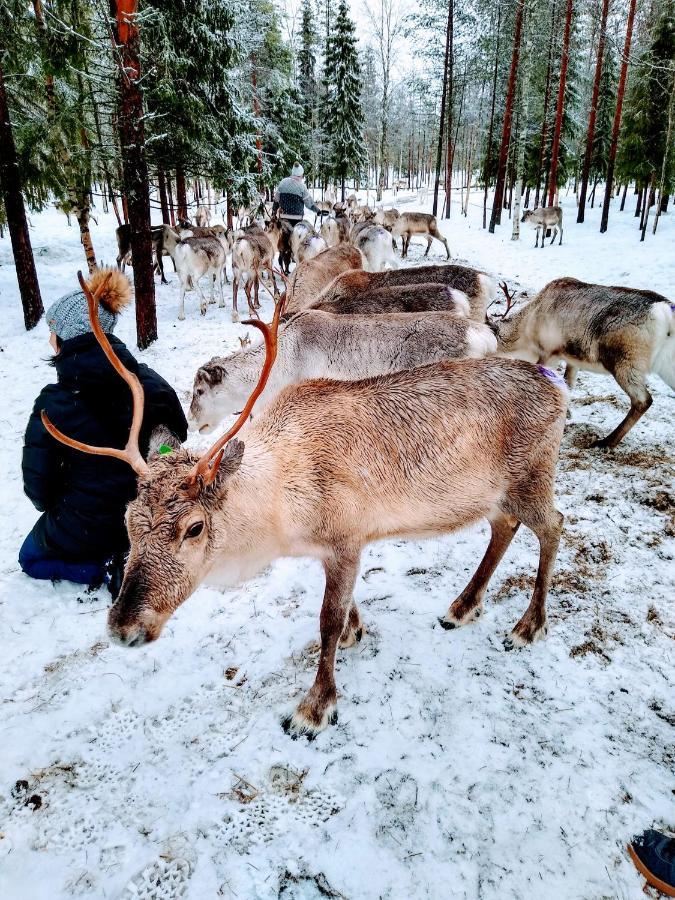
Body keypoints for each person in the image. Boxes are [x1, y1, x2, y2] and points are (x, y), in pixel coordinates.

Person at [20, 268, 188, 596]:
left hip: (85, 525)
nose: (49, 339)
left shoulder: (52, 404)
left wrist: (66, 505)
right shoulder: (150, 383)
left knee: (29, 558)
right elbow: (174, 445)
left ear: (68, 337)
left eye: (53, 331)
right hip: (146, 521)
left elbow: (37, 490)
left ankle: (102, 568)